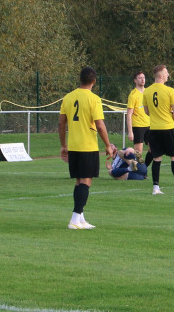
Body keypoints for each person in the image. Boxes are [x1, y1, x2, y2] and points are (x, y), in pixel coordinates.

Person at [59, 67, 116, 229]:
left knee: (79, 181)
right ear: (94, 81)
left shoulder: (68, 98)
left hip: (74, 146)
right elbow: (100, 124)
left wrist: (64, 145)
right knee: (86, 181)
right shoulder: (94, 99)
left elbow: (61, 123)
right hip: (87, 146)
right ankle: (75, 219)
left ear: (80, 79)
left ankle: (80, 218)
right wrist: (107, 144)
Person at [143, 65, 174, 195]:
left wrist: (156, 115)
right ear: (161, 76)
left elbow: (147, 111)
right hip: (168, 127)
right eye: (167, 72)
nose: (168, 74)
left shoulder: (147, 91)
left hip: (154, 128)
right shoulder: (170, 91)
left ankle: (156, 188)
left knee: (157, 158)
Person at [126, 71, 151, 165]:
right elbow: (129, 115)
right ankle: (136, 171)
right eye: (140, 78)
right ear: (135, 81)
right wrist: (130, 131)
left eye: (143, 77)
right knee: (138, 153)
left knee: (154, 148)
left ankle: (143, 168)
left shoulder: (148, 92)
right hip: (138, 126)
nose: (142, 79)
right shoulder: (133, 95)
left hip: (149, 124)